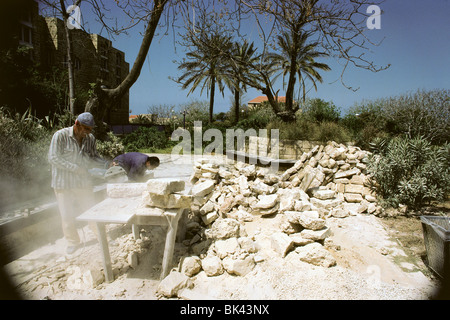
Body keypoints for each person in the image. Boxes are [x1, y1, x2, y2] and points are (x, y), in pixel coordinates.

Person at [48, 112, 109, 254]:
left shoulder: (90, 138)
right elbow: (53, 157)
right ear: (77, 124)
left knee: (92, 210)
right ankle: (72, 242)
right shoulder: (60, 136)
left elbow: (93, 157)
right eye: (85, 129)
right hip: (63, 183)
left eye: (90, 129)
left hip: (82, 182)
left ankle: (101, 236)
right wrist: (75, 168)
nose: (88, 133)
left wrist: (106, 164)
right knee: (66, 214)